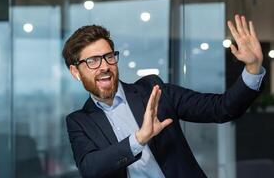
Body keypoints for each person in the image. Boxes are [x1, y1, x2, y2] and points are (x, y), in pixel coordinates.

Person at [62, 15, 265, 178]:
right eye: (93, 61)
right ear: (75, 71)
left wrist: (253, 68)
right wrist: (138, 139)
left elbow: (221, 108)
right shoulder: (79, 122)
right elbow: (90, 168)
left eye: (108, 57)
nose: (105, 66)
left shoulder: (153, 90)